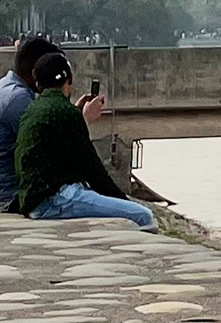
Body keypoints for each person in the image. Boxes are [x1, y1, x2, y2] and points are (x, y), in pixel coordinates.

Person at [12, 52, 148, 227]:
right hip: (55, 200)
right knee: (142, 215)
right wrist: (124, 202)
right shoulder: (64, 112)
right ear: (69, 79)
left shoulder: (34, 109)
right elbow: (91, 167)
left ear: (38, 84)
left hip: (32, 200)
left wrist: (76, 113)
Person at [0, 37, 65, 212]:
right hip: (14, 195)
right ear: (35, 72)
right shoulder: (16, 98)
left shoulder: (12, 89)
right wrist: (82, 119)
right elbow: (51, 145)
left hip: (11, 191)